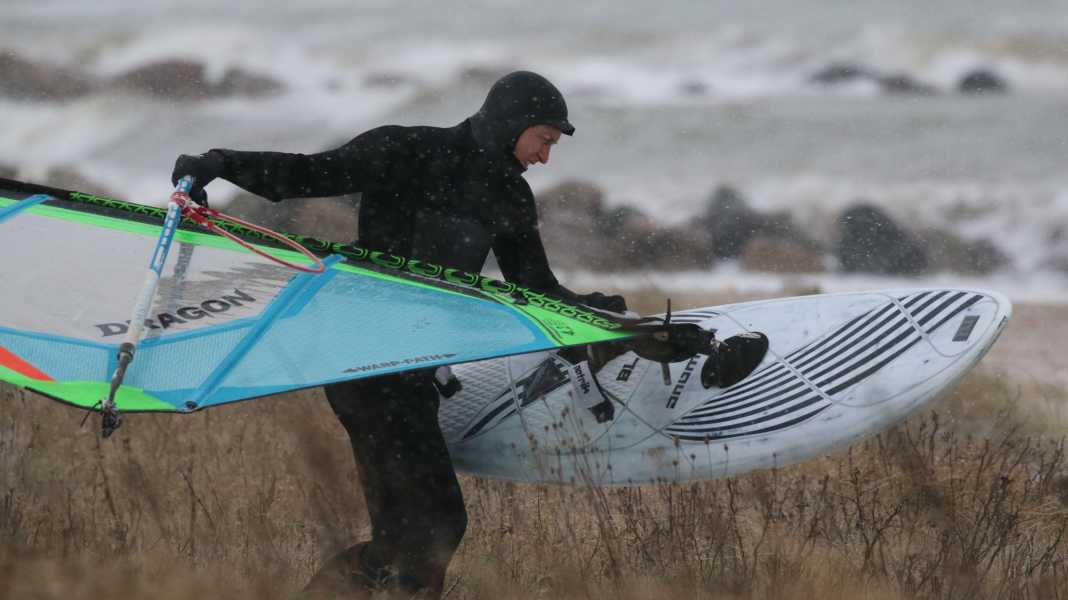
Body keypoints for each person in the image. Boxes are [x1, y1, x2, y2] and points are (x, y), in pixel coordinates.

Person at [172, 70, 627, 599]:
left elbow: (535, 288)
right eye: (544, 141)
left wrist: (599, 314)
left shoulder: (509, 197)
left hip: (414, 370)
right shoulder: (406, 149)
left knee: (405, 537)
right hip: (365, 363)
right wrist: (219, 163)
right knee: (434, 526)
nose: (545, 157)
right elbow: (305, 175)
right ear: (513, 123)